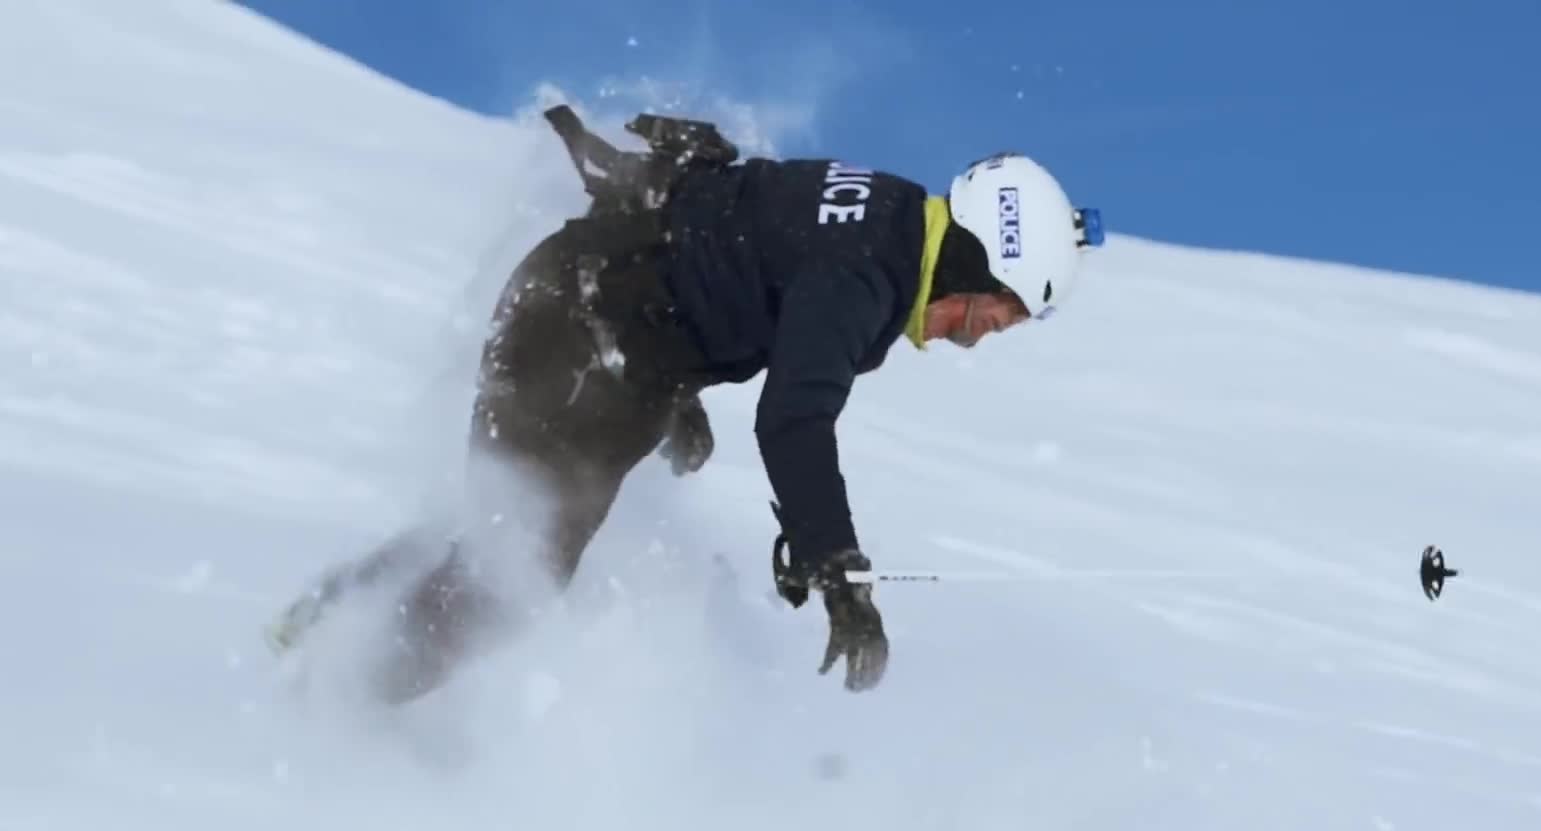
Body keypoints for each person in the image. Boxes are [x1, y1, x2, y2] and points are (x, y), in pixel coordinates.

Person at [267, 105, 1104, 702]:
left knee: (505, 529)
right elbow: (794, 419)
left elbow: (736, 252)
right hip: (578, 333)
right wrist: (837, 567)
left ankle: (322, 630)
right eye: (993, 313)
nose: (975, 335)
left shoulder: (892, 211)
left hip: (591, 312)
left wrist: (681, 385)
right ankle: (335, 712)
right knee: (516, 567)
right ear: (971, 262)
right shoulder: (865, 274)